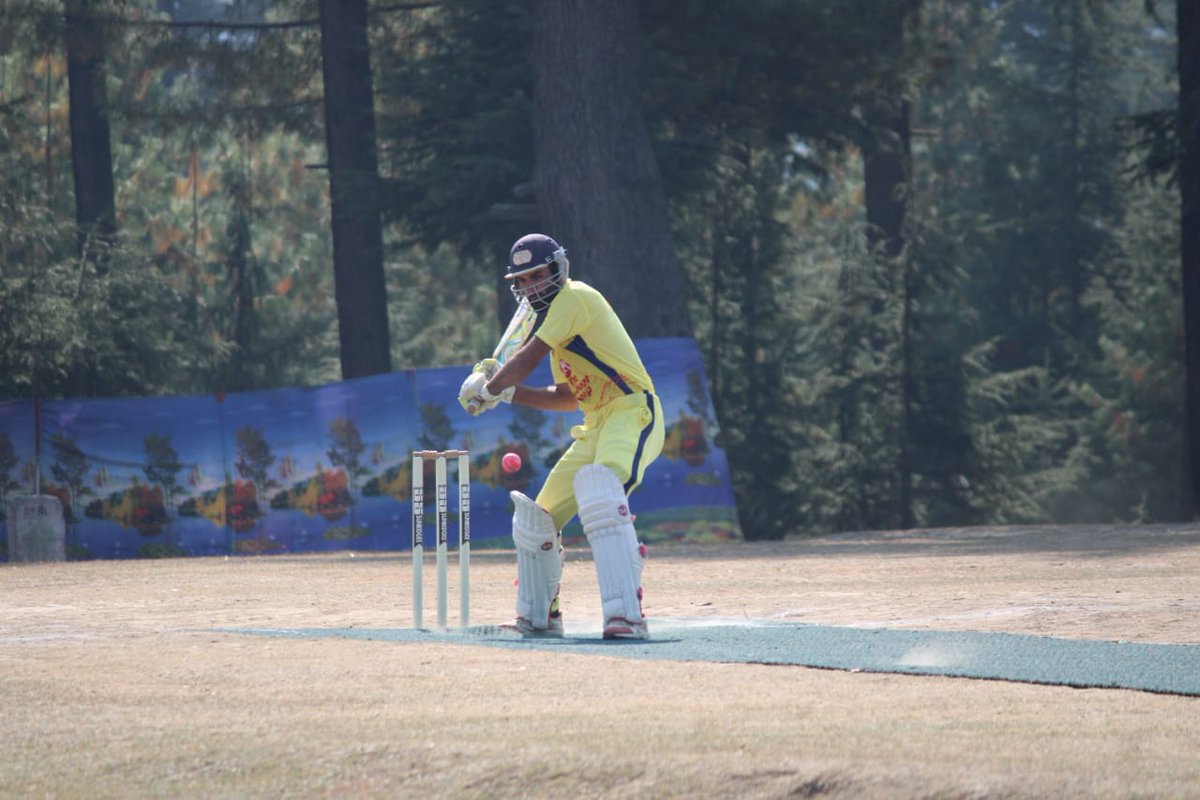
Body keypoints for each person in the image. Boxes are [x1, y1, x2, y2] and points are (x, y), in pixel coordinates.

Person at [458, 233, 664, 639]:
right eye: (523, 280)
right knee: (538, 520)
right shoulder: (557, 329)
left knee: (602, 492)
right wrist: (507, 393)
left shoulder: (575, 298)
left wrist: (490, 387)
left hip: (631, 411)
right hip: (595, 423)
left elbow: (527, 358)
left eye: (538, 275)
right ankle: (541, 617)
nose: (532, 286)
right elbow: (567, 397)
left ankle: (627, 616)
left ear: (558, 269)